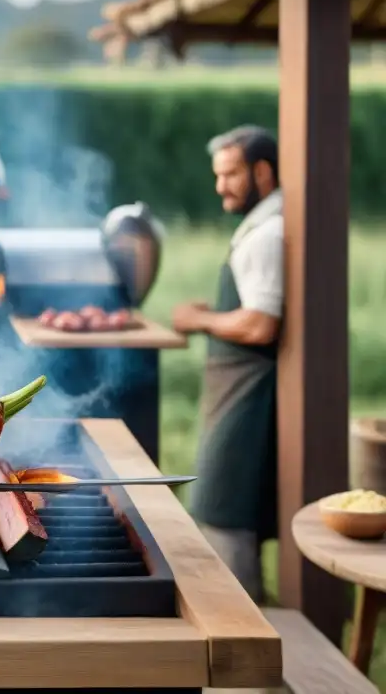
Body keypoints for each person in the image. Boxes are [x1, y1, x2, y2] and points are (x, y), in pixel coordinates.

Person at [172, 125, 283, 604]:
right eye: (218, 176)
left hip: (247, 397)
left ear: (262, 171)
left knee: (222, 510)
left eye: (232, 174)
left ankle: (244, 635)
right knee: (232, 510)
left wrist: (201, 320)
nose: (221, 186)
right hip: (238, 393)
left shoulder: (267, 235)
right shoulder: (266, 224)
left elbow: (261, 324)